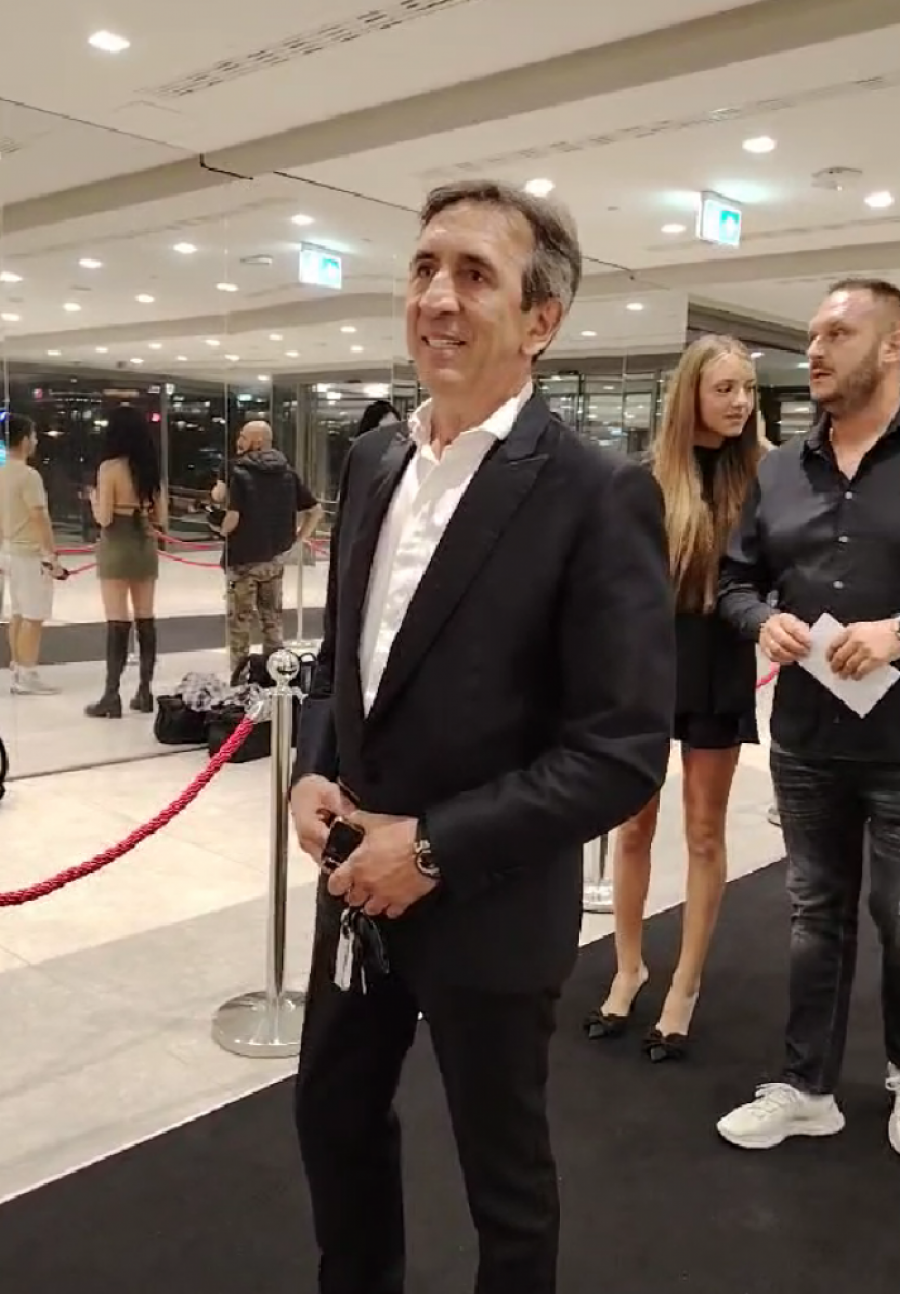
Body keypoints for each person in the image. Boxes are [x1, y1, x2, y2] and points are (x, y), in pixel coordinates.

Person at [289, 178, 676, 1294]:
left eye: (473, 275)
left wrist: (429, 849)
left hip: (491, 901)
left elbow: (620, 749)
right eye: (424, 269)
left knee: (502, 1180)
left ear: (540, 319)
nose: (438, 298)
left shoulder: (596, 494)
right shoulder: (374, 461)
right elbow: (347, 659)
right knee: (334, 1122)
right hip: (354, 885)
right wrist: (314, 766)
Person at [716, 277, 900, 1156]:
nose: (815, 350)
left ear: (892, 347)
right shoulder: (780, 469)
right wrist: (763, 620)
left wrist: (898, 633)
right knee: (813, 915)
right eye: (813, 335)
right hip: (808, 740)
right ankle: (806, 1088)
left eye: (837, 334)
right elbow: (734, 580)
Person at [584, 336, 762, 1061]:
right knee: (632, 826)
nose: (740, 402)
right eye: (725, 388)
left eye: (748, 389)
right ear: (692, 393)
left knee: (704, 832)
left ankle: (685, 984)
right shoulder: (647, 479)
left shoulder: (765, 476)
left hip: (722, 659)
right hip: (648, 666)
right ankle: (628, 966)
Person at [211, 420, 321, 671]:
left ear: (257, 441)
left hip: (242, 559)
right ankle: (275, 675)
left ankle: (239, 678)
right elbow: (315, 511)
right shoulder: (287, 472)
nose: (238, 441)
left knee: (240, 624)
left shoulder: (236, 470)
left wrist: (220, 529)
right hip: (274, 560)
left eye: (243, 436)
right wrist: (298, 538)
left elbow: (230, 514)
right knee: (272, 621)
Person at [85, 405, 164, 718]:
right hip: (144, 543)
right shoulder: (151, 470)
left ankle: (111, 695)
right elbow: (162, 517)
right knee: (146, 617)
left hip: (117, 544)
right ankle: (145, 691)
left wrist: (93, 498)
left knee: (117, 620)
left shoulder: (110, 468)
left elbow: (104, 518)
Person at [0, 414, 65, 695]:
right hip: (29, 553)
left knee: (18, 612)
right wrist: (51, 554)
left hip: (9, 550)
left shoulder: (2, 473)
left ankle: (18, 666)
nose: (36, 441)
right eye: (34, 436)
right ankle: (27, 673)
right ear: (25, 439)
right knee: (34, 615)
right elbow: (39, 516)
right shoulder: (29, 476)